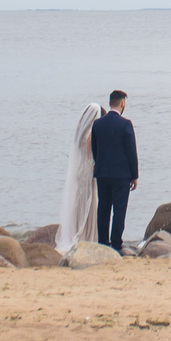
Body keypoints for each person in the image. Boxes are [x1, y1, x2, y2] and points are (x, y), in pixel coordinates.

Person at [90, 89, 139, 253]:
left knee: (103, 207)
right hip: (121, 175)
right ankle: (116, 242)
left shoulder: (98, 124)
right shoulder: (125, 124)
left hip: (103, 173)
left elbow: (94, 150)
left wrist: (100, 165)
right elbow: (131, 151)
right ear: (122, 103)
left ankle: (103, 241)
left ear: (110, 103)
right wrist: (135, 175)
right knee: (119, 209)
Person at [59, 101, 102, 251]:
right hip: (88, 170)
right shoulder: (90, 133)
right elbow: (91, 155)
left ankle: (77, 228)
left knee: (80, 200)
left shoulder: (80, 133)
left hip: (80, 169)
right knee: (89, 202)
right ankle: (86, 234)